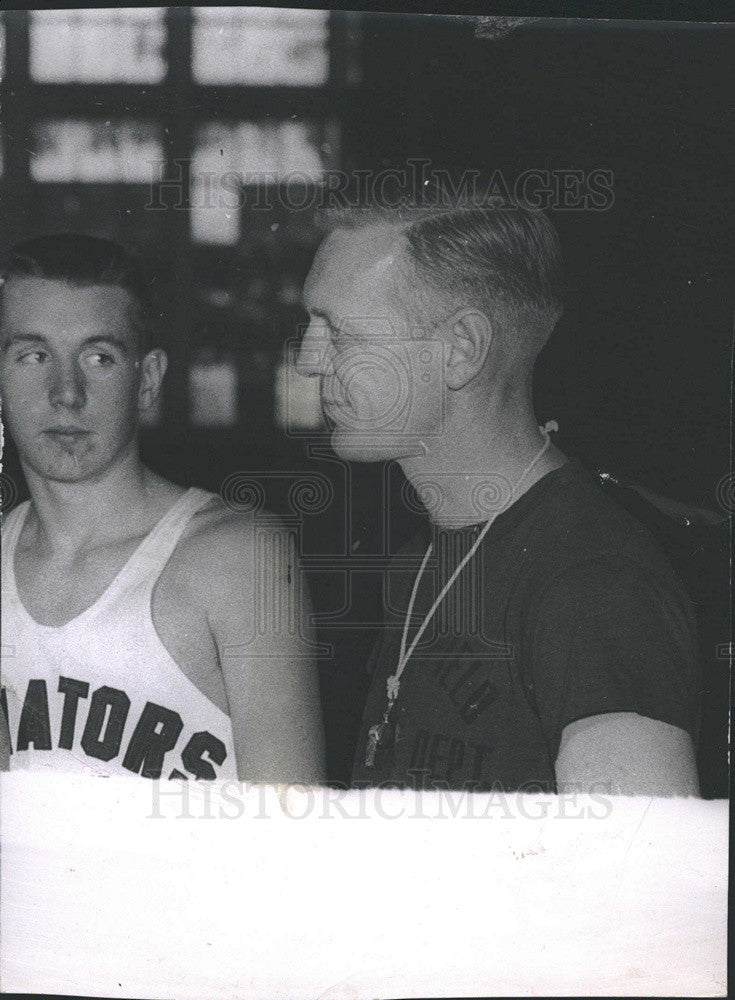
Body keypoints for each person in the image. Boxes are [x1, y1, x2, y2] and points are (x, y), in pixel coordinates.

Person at [296, 202, 701, 796]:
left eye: (342, 332)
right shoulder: (423, 558)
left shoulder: (594, 584)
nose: (308, 360)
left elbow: (634, 878)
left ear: (461, 348)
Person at [0, 233, 325, 783]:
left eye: (99, 357)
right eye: (34, 356)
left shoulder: (238, 559)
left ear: (147, 379)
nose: (66, 393)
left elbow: (294, 842)